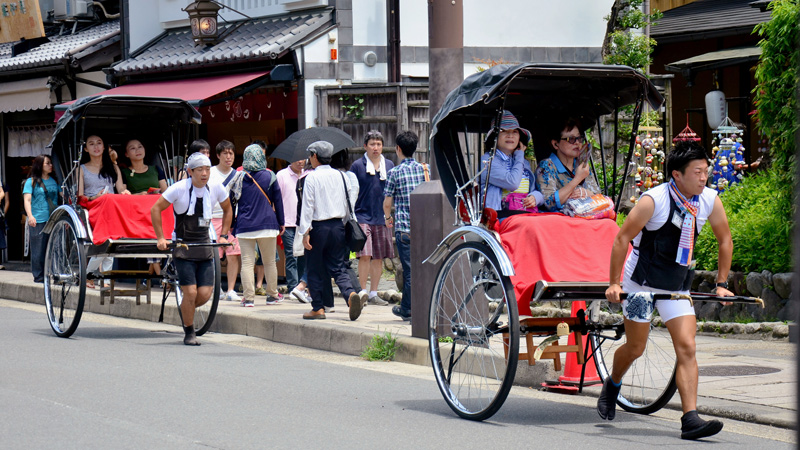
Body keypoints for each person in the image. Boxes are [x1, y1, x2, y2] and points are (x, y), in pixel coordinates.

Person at [601, 141, 733, 440]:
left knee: (687, 346)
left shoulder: (709, 199)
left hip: (676, 285)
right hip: (640, 285)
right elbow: (622, 239)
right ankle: (613, 383)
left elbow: (725, 240)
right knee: (636, 348)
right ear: (676, 174)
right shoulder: (653, 200)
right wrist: (614, 283)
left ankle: (690, 419)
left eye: (706, 171)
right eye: (697, 172)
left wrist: (721, 284)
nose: (704, 177)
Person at [152, 152, 232, 346]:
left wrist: (224, 234)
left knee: (204, 294)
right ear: (190, 171)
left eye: (207, 169)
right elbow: (156, 209)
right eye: (199, 170)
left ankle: (185, 308)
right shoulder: (178, 188)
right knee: (191, 292)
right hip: (183, 246)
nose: (204, 173)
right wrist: (161, 237)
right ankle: (189, 332)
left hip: (204, 244)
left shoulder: (215, 188)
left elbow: (228, 209)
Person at [299, 141, 368, 321]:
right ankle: (350, 294)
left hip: (318, 228)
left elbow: (308, 207)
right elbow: (347, 205)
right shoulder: (342, 176)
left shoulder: (312, 178)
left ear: (315, 156)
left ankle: (318, 308)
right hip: (338, 226)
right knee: (338, 267)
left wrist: (305, 233)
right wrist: (343, 224)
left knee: (314, 268)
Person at [229, 144, 285, 306]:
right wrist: (281, 222)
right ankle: (272, 295)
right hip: (268, 224)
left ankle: (248, 298)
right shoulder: (270, 176)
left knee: (247, 262)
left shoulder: (238, 177)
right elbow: (278, 201)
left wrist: (232, 224)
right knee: (269, 262)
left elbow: (231, 203)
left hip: (245, 225)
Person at [383, 131, 427, 321]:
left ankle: (407, 308)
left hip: (404, 228)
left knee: (409, 271)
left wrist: (387, 218)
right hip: (424, 227)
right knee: (423, 268)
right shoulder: (426, 169)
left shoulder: (394, 172)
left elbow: (387, 203)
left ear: (398, 149)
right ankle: (423, 305)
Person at [78, 135, 131, 288]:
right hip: (93, 206)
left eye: (99, 143)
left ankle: (105, 279)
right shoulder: (81, 169)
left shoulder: (113, 167)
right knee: (107, 239)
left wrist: (125, 192)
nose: (96, 147)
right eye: (91, 144)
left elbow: (120, 189)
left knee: (111, 241)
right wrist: (97, 196)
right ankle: (91, 274)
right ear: (86, 149)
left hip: (111, 206)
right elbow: (81, 196)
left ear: (104, 147)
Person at [349, 130, 394, 306]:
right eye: (372, 144)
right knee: (365, 254)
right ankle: (362, 292)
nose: (376, 148)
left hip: (382, 216)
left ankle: (374, 292)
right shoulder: (357, 166)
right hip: (362, 215)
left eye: (379, 144)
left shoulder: (389, 165)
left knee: (379, 256)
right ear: (365, 146)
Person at [479, 110, 544, 216]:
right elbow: (512, 183)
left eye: (515, 131)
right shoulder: (487, 162)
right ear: (494, 137)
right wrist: (520, 156)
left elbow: (537, 192)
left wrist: (534, 198)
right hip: (500, 215)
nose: (510, 135)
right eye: (504, 131)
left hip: (525, 213)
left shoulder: (524, 163)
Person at [535, 117, 601, 212]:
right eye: (571, 139)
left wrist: (585, 193)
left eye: (579, 138)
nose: (577, 143)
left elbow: (599, 197)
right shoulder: (546, 166)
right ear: (555, 144)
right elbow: (549, 204)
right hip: (560, 221)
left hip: (585, 216)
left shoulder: (581, 165)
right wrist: (577, 179)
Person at [209, 140, 242, 302]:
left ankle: (230, 289)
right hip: (213, 217)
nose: (228, 157)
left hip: (232, 220)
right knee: (213, 255)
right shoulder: (209, 172)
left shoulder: (237, 175)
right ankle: (216, 288)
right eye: (225, 153)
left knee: (233, 254)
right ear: (218, 155)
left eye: (231, 153)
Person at [277, 157, 310, 302]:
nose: (300, 162)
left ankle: (301, 288)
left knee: (303, 255)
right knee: (291, 255)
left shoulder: (308, 174)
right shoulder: (282, 175)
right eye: (296, 159)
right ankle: (292, 288)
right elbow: (277, 199)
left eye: (303, 159)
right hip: (288, 221)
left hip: (303, 223)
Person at [23, 154, 58, 283]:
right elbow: (27, 200)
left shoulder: (54, 180)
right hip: (37, 219)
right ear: (40, 165)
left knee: (54, 248)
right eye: (47, 163)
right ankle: (39, 276)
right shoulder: (31, 181)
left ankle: (53, 273)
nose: (50, 165)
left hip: (53, 218)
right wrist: (30, 216)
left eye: (50, 163)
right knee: (38, 249)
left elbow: (60, 195)